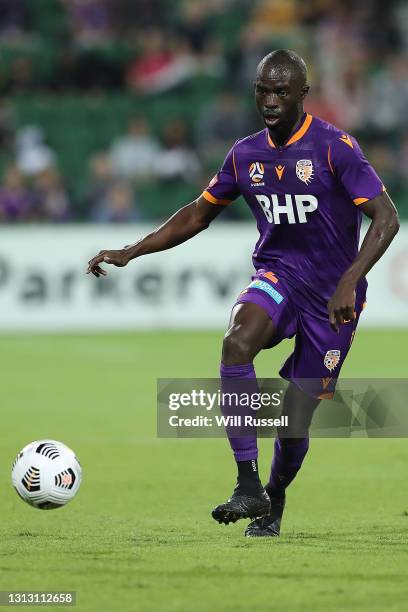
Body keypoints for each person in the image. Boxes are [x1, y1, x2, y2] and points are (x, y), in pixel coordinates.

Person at [87, 50, 399, 537]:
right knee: (236, 341)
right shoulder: (245, 153)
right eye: (262, 91)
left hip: (332, 301)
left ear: (302, 94)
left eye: (280, 91)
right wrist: (132, 250)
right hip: (279, 276)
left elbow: (386, 217)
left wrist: (349, 280)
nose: (269, 100)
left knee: (295, 422)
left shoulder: (335, 147)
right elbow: (197, 213)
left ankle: (273, 502)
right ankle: (247, 481)